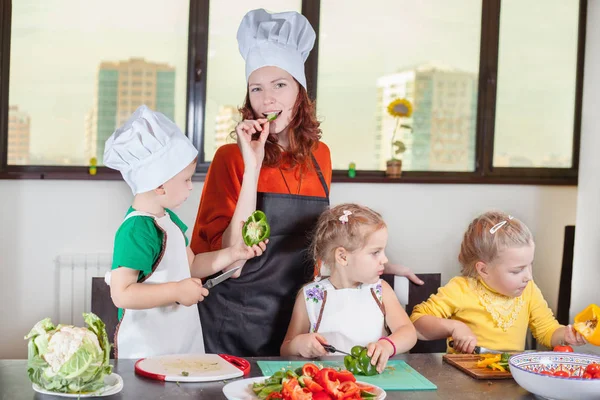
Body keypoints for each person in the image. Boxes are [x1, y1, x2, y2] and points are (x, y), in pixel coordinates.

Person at [190, 8, 422, 357]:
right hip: (234, 316)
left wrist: (378, 262)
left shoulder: (321, 156)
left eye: (280, 85)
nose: (268, 99)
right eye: (257, 89)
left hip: (301, 316)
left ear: (300, 92)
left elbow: (328, 239)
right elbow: (231, 260)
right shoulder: (231, 158)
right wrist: (251, 166)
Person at [103, 105, 266, 359]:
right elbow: (121, 293)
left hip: (178, 344)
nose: (191, 187)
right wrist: (176, 291)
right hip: (145, 350)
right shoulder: (136, 230)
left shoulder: (168, 221)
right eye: (187, 179)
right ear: (159, 184)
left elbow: (192, 265)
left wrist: (234, 252)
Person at [410, 211, 587, 353]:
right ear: (484, 270)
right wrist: (454, 327)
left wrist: (566, 335)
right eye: (517, 270)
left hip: (510, 380)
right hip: (464, 382)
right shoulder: (461, 289)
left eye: (529, 265)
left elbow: (547, 330)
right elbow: (417, 324)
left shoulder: (529, 290)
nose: (528, 276)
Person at [280, 204, 417, 372]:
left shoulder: (381, 290)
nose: (385, 259)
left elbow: (408, 332)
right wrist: (300, 344)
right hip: (328, 384)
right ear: (343, 256)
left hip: (376, 382)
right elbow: (285, 348)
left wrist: (387, 346)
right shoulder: (310, 296)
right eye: (376, 252)